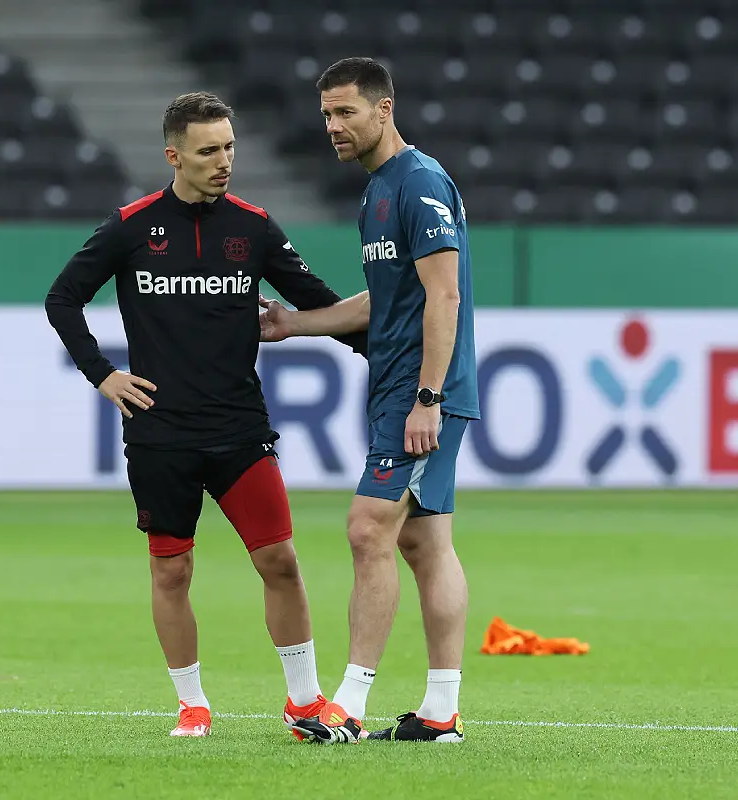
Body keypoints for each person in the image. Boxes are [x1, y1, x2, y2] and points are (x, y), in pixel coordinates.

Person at [46, 91, 366, 738]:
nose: (224, 161)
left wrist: (384, 356)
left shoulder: (252, 228)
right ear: (174, 156)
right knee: (172, 568)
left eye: (230, 147)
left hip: (239, 431)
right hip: (160, 433)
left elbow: (318, 304)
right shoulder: (132, 228)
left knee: (280, 562)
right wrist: (103, 374)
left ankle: (303, 703)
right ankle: (192, 704)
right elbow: (63, 300)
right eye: (209, 151)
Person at [258, 57, 479, 744]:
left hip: (419, 393)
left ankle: (348, 707)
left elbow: (445, 294)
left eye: (345, 112)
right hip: (399, 387)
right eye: (326, 113)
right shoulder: (378, 190)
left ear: (384, 110)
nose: (332, 126)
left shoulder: (418, 183)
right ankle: (441, 712)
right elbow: (387, 299)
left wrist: (428, 398)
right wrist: (296, 323)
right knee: (423, 542)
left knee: (366, 529)